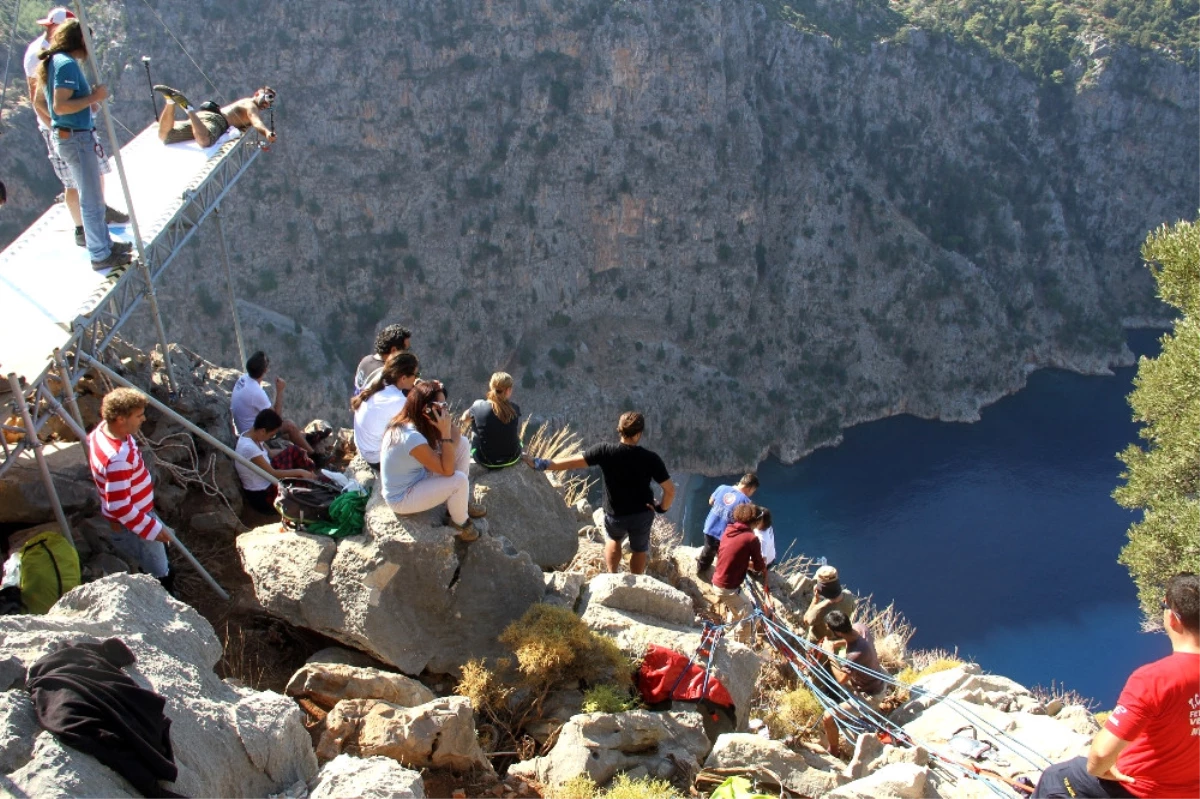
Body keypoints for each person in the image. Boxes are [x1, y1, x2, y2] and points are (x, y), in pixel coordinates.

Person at [1030, 573, 1200, 799]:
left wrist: (1100, 768)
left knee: (1058, 777)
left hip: (1142, 790)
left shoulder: (1156, 679)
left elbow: (1100, 755)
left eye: (1164, 605)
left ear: (1173, 619)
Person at [24, 7, 127, 249]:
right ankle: (100, 248)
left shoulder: (53, 60)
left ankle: (100, 239)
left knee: (90, 191)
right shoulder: (63, 64)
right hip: (73, 136)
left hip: (71, 133)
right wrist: (91, 100)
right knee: (86, 196)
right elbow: (54, 105)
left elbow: (44, 98)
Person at [531, 411, 674, 575]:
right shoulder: (651, 458)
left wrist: (540, 463)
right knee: (639, 548)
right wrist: (661, 508)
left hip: (615, 513)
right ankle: (637, 578)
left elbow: (571, 462)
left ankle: (612, 574)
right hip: (642, 513)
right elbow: (670, 490)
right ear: (639, 433)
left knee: (613, 540)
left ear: (618, 429)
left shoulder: (605, 451)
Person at [86, 388, 175, 589]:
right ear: (120, 419)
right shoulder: (118, 459)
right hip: (135, 525)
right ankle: (164, 598)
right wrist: (151, 529)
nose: (143, 419)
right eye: (138, 415)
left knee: (160, 553)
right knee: (159, 571)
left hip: (139, 514)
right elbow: (118, 505)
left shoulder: (101, 431)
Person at [381, 380, 486, 541]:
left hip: (418, 476)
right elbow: (448, 470)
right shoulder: (410, 437)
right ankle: (460, 523)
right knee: (459, 481)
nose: (445, 410)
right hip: (402, 497)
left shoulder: (416, 421)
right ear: (426, 408)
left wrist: (447, 431)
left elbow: (456, 436)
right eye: (441, 405)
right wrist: (445, 434)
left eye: (445, 405)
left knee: (464, 444)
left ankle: (459, 504)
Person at [818, 610, 888, 757]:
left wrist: (830, 653)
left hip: (870, 695)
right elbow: (848, 639)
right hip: (877, 681)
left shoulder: (855, 655)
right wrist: (834, 644)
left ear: (837, 632)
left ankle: (834, 751)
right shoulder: (860, 627)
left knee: (828, 717)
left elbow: (842, 679)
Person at [235, 409, 317, 514]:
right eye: (271, 435)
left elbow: (270, 453)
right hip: (263, 494)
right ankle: (311, 485)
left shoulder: (252, 435)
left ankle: (312, 478)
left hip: (268, 478)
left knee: (295, 450)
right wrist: (300, 472)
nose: (271, 438)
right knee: (300, 483)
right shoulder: (249, 448)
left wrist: (296, 450)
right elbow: (274, 473)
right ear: (263, 431)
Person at [230, 350, 313, 455]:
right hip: (254, 434)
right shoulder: (256, 392)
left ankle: (308, 439)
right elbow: (276, 419)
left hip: (242, 428)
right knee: (289, 425)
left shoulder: (243, 378)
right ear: (265, 370)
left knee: (290, 432)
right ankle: (314, 455)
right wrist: (280, 391)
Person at [352, 352, 420, 471]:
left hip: (363, 447)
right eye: (416, 375)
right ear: (403, 378)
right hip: (376, 459)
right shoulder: (397, 401)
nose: (416, 379)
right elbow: (419, 428)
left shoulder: (379, 380)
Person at [712, 503, 767, 642]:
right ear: (755, 521)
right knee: (748, 615)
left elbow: (731, 554)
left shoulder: (729, 529)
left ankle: (728, 631)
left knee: (737, 608)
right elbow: (759, 566)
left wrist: (745, 562)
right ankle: (739, 643)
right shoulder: (751, 538)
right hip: (728, 587)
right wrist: (760, 563)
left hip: (719, 580)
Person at [153, 84, 276, 147]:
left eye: (270, 102)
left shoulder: (246, 103)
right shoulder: (251, 105)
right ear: (256, 93)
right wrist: (267, 133)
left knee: (165, 136)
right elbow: (256, 122)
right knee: (205, 141)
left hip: (202, 118)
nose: (267, 103)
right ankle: (189, 109)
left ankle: (170, 101)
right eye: (267, 97)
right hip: (216, 121)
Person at [698, 473, 759, 574]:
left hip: (710, 526)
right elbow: (746, 522)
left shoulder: (722, 487)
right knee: (721, 554)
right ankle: (704, 572)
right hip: (726, 534)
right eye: (753, 491)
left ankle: (702, 567)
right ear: (750, 488)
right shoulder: (746, 502)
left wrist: (722, 507)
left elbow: (710, 501)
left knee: (708, 550)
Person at [462, 372, 523, 469]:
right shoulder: (514, 408)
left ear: (491, 387)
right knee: (516, 437)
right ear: (508, 390)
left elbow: (464, 419)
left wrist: (473, 409)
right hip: (512, 458)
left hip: (485, 460)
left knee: (475, 421)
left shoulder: (478, 406)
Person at [354, 324, 412, 394]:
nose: (408, 354)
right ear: (394, 350)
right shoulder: (388, 376)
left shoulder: (365, 361)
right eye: (406, 350)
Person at [804, 565, 857, 641]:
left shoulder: (821, 609)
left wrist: (815, 599)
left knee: (808, 651)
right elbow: (853, 607)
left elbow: (806, 620)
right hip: (837, 639)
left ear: (822, 588)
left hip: (818, 641)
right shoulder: (848, 595)